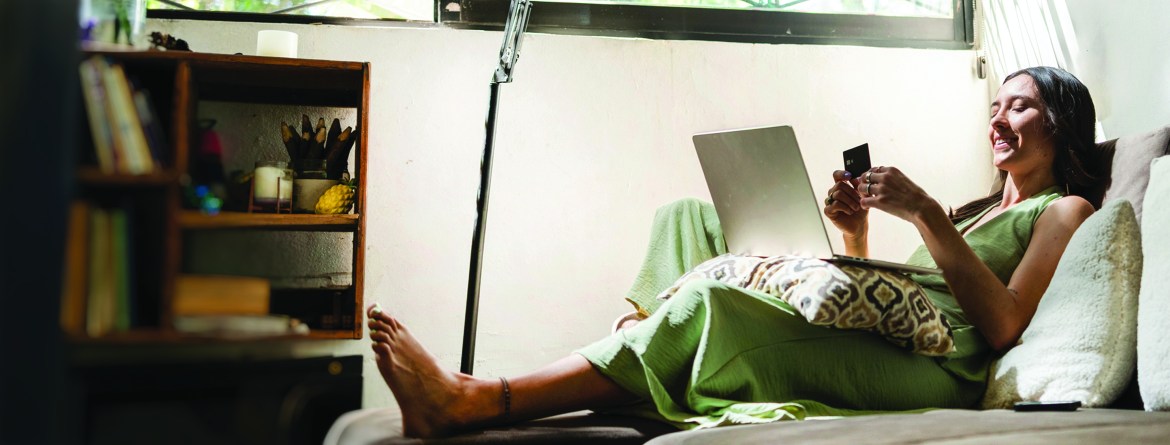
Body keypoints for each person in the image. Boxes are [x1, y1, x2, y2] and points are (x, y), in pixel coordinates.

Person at [367, 66, 1103, 438]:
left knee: (711, 298)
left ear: (1060, 123)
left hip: (939, 371)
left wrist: (921, 212)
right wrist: (854, 235)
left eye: (1020, 105)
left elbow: (1003, 323)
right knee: (686, 216)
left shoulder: (1065, 208)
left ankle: (476, 399)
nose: (999, 118)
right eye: (995, 106)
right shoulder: (977, 212)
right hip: (890, 334)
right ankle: (646, 341)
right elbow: (893, 294)